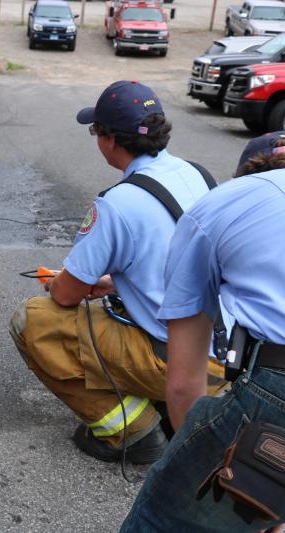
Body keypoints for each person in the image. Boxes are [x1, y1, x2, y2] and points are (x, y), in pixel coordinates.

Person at [9, 80, 225, 465]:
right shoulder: (198, 175)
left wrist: (64, 280)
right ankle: (175, 412)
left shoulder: (117, 203)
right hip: (226, 356)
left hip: (180, 361)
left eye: (97, 132)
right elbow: (181, 260)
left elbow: (65, 295)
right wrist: (114, 282)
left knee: (33, 320)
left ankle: (133, 432)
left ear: (108, 140)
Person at [120, 134, 285, 531]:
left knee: (161, 520)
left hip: (274, 391)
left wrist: (192, 452)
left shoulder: (224, 204)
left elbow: (183, 383)